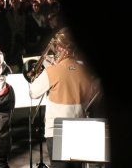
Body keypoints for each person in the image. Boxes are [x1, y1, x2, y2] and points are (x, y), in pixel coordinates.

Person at [29, 27, 100, 168]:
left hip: (56, 130)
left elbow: (33, 92)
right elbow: (90, 97)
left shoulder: (52, 71)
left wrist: (53, 70)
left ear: (61, 48)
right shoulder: (84, 70)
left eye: (57, 48)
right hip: (79, 128)